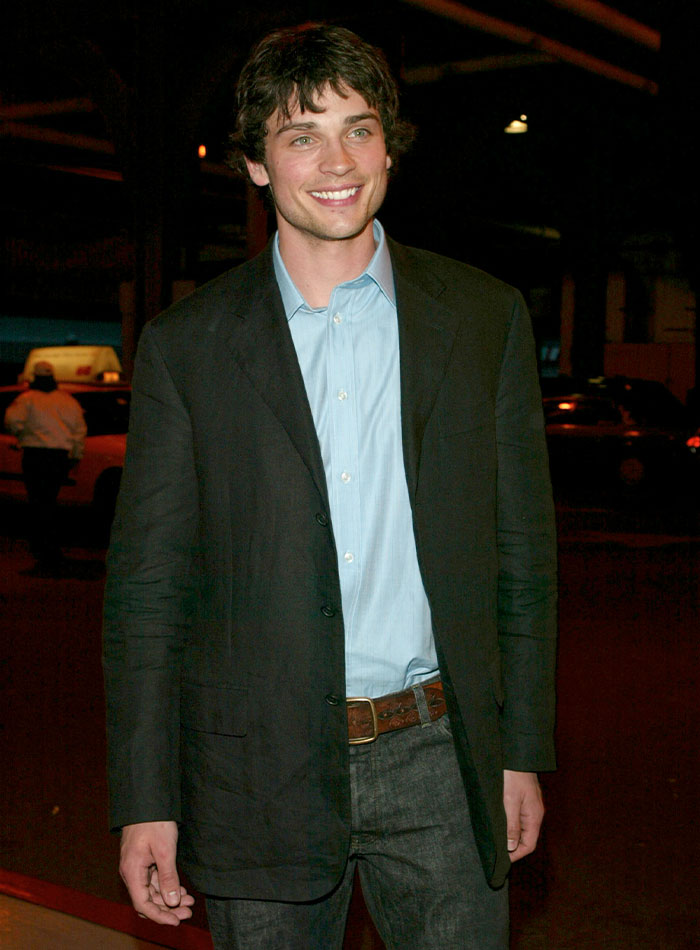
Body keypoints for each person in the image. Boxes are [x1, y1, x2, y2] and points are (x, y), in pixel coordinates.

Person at [103, 23, 557, 950]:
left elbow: (523, 554)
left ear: (389, 143)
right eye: (300, 135)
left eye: (358, 128)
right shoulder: (187, 348)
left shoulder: (482, 319)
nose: (336, 161)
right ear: (258, 166)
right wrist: (145, 800)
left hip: (440, 754)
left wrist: (520, 752)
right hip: (254, 771)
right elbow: (148, 592)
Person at [4, 360, 86, 573]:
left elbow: (12, 421)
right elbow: (79, 431)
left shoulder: (27, 400)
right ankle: (49, 545)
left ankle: (43, 546)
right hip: (59, 457)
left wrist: (21, 434)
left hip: (36, 455)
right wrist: (75, 456)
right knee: (50, 498)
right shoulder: (68, 401)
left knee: (37, 500)